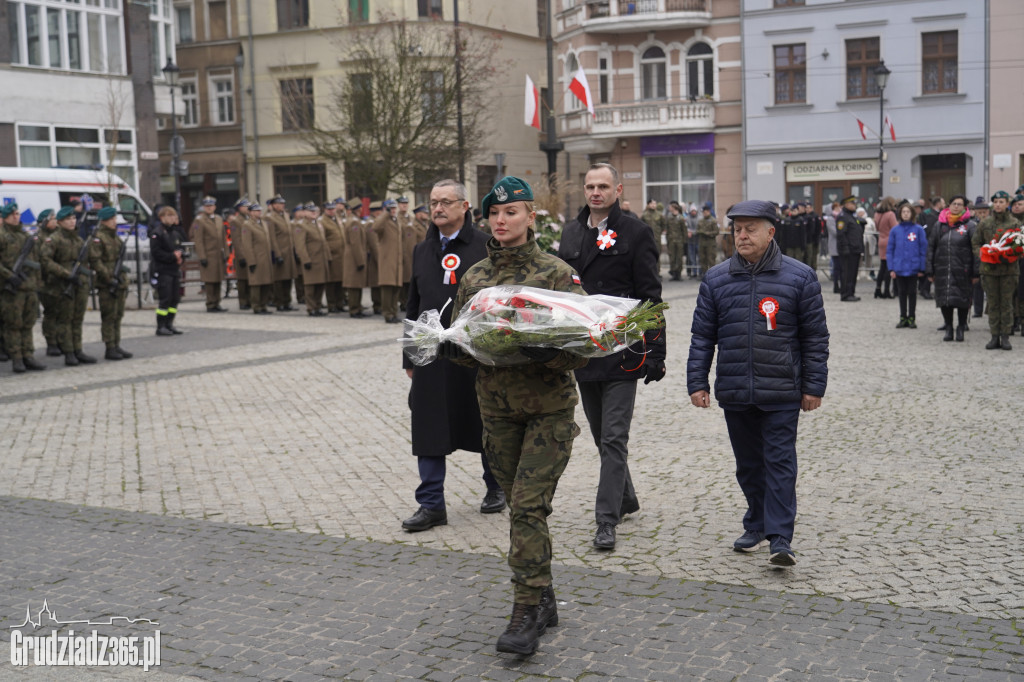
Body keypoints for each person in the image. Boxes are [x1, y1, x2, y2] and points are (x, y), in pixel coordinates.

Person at [450, 176, 586, 656]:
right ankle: (544, 596)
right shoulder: (474, 278)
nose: (502, 221)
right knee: (523, 511)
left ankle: (525, 611)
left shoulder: (557, 275)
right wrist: (455, 345)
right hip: (497, 412)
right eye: (495, 214)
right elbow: (464, 342)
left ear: (531, 217)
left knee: (527, 507)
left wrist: (542, 349)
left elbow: (585, 349)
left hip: (548, 411)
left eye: (512, 213)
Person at [686, 199, 829, 567]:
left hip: (781, 389)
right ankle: (757, 522)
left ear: (771, 232)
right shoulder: (717, 279)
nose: (742, 235)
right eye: (737, 229)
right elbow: (702, 336)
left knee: (779, 462)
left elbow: (815, 338)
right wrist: (696, 382)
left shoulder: (800, 277)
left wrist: (813, 387)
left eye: (750, 228)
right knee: (748, 464)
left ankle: (780, 538)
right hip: (736, 389)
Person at [557, 163, 665, 551]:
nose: (596, 192)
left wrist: (655, 351)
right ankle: (627, 497)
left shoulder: (637, 232)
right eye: (590, 186)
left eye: (603, 186)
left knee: (615, 437)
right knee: (603, 436)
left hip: (623, 349)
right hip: (586, 351)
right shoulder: (570, 232)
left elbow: (651, 294)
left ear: (618, 189)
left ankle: (606, 520)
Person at [401, 178, 504, 534]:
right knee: (427, 423)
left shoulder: (486, 247)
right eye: (433, 202)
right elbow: (413, 305)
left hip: (475, 353)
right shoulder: (421, 250)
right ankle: (430, 504)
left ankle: (496, 486)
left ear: (465, 207)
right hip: (431, 354)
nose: (438, 209)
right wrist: (410, 357)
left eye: (446, 202)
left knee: (484, 420)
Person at [39, 206, 97, 365]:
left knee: (77, 319)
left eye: (73, 218)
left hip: (79, 283)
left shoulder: (78, 240)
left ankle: (78, 349)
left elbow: (86, 261)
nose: (72, 222)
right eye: (68, 219)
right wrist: (65, 274)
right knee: (65, 319)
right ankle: (69, 352)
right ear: (59, 222)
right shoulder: (54, 239)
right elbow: (45, 261)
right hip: (63, 285)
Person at [972, 191, 1022, 350]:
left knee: (1007, 303)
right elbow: (975, 243)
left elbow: (1020, 245)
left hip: (1009, 270)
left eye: (1002, 202)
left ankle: (1006, 336)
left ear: (1007, 204)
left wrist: (1011, 253)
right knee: (993, 303)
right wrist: (983, 253)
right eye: (996, 202)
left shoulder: (1015, 224)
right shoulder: (985, 223)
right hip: (989, 270)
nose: (999, 204)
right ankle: (994, 336)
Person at [1, 203, 45, 373]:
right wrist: (9, 276)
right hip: (11, 288)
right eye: (12, 214)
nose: (16, 216)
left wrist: (37, 283)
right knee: (13, 324)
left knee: (28, 323)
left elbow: (35, 262)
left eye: (17, 213)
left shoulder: (25, 236)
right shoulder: (2, 235)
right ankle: (16, 358)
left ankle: (28, 355)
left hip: (29, 287)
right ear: (5, 217)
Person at [926, 195, 977, 342]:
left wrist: (976, 271)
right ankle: (948, 327)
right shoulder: (939, 225)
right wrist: (930, 269)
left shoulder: (970, 225)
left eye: (960, 204)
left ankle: (961, 327)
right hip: (942, 268)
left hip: (963, 269)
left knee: (961, 299)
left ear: (964, 207)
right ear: (949, 205)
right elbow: (931, 247)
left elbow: (975, 249)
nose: (956, 206)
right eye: (954, 204)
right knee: (945, 299)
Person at [88, 206, 133, 361]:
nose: (115, 222)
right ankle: (109, 347)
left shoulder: (115, 237)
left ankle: (116, 344)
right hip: (106, 282)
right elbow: (95, 261)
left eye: (115, 219)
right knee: (109, 316)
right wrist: (108, 277)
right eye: (112, 219)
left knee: (118, 315)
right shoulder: (98, 237)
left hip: (118, 281)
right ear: (105, 220)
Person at [887, 202, 929, 329]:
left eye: (908, 212)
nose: (905, 214)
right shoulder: (895, 230)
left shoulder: (918, 230)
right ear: (900, 214)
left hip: (913, 267)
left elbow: (923, 249)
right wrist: (891, 268)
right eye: (903, 212)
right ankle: (902, 317)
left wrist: (922, 267)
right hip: (899, 267)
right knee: (901, 293)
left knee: (912, 292)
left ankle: (912, 317)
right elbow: (890, 250)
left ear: (912, 214)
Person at [150, 205, 186, 336]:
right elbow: (156, 252)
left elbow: (180, 247)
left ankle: (170, 324)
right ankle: (161, 326)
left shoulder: (175, 233)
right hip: (163, 270)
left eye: (174, 216)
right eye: (169, 216)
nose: (172, 218)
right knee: (165, 299)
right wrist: (172, 256)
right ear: (162, 217)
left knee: (174, 299)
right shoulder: (157, 233)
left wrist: (180, 256)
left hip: (174, 269)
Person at [293, 201, 330, 316]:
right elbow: (300, 245)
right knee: (310, 286)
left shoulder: (317, 224)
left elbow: (324, 242)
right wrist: (305, 260)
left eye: (315, 210)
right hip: (311, 260)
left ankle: (318, 306)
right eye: (311, 211)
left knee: (320, 284)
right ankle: (311, 308)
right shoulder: (301, 225)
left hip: (321, 259)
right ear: (304, 212)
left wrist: (328, 257)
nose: (314, 213)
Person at [191, 196, 228, 313]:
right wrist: (202, 256)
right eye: (207, 206)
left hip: (218, 255)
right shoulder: (200, 220)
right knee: (210, 281)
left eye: (211, 206)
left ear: (215, 207)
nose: (209, 208)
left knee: (218, 280)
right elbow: (199, 240)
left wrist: (226, 253)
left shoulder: (218, 219)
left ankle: (217, 302)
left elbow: (223, 237)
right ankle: (210, 304)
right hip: (208, 255)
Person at [34, 209, 63, 357]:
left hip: (60, 280)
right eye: (52, 219)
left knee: (61, 312)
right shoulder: (39, 238)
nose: (55, 221)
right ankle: (51, 342)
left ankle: (61, 340)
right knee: (51, 313)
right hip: (46, 281)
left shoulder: (59, 235)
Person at [374, 199, 403, 324]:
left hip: (396, 261)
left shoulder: (396, 221)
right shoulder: (384, 221)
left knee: (396, 289)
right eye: (390, 208)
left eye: (394, 208)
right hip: (387, 261)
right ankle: (387, 314)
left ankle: (394, 312)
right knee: (387, 289)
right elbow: (375, 227)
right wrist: (385, 214)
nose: (393, 210)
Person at [264, 196, 296, 312]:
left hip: (289, 252)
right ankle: (279, 302)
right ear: (273, 205)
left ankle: (287, 301)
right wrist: (277, 254)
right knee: (279, 280)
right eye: (279, 203)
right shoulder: (270, 218)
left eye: (283, 203)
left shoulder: (286, 215)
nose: (282, 205)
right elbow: (272, 238)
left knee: (288, 279)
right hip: (280, 252)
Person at [342, 197, 370, 318]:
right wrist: (360, 261)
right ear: (358, 209)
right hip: (354, 258)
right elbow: (356, 243)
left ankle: (357, 307)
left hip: (353, 257)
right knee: (354, 285)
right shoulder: (354, 222)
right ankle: (354, 309)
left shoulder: (353, 220)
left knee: (357, 284)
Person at [835, 196, 865, 301]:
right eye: (852, 203)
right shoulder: (843, 217)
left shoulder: (851, 216)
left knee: (853, 273)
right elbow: (841, 234)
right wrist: (845, 248)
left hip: (855, 249)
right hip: (848, 250)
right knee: (847, 273)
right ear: (846, 204)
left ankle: (851, 292)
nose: (854, 205)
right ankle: (845, 294)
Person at [321, 198, 347, 313]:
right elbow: (323, 240)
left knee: (341, 281)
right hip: (332, 255)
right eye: (329, 209)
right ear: (325, 210)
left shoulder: (338, 218)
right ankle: (331, 304)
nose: (331, 211)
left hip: (342, 255)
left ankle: (340, 303)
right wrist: (327, 254)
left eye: (333, 209)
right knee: (331, 282)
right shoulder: (322, 221)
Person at [228, 198, 252, 311]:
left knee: (250, 278)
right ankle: (243, 301)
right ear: (239, 208)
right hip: (241, 254)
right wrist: (241, 256)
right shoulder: (236, 221)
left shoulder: (249, 219)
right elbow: (236, 240)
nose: (247, 209)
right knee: (242, 280)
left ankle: (250, 300)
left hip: (250, 252)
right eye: (245, 207)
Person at [873, 197, 898, 299]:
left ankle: (878, 289)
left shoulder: (877, 214)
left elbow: (877, 228)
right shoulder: (890, 214)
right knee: (888, 267)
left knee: (882, 267)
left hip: (881, 240)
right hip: (889, 240)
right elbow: (895, 228)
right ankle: (887, 290)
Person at [971, 198, 990, 318]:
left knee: (990, 286)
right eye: (980, 212)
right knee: (977, 286)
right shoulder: (972, 224)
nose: (982, 215)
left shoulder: (991, 224)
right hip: (976, 257)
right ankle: (977, 310)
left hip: (989, 257)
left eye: (984, 212)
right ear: (976, 213)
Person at [664, 201, 686, 281]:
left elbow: (684, 230)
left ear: (674, 208)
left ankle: (679, 274)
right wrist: (667, 240)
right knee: (672, 257)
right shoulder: (669, 218)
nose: (669, 208)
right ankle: (673, 273)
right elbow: (668, 230)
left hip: (679, 241)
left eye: (670, 207)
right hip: (671, 241)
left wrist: (684, 241)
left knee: (679, 258)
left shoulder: (681, 218)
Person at [696, 205, 720, 276]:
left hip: (710, 243)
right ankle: (704, 274)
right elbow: (697, 230)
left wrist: (707, 233)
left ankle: (712, 275)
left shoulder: (713, 220)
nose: (704, 213)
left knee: (711, 259)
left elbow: (716, 231)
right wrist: (700, 231)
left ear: (709, 212)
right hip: (702, 243)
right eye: (703, 212)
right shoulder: (700, 221)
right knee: (702, 259)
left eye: (705, 212)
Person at [858, 206, 877, 279]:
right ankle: (858, 273)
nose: (861, 214)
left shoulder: (869, 219)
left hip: (869, 240)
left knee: (869, 257)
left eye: (862, 212)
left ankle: (867, 273)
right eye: (859, 212)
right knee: (859, 257)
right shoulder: (856, 219)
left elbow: (874, 228)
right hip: (860, 241)